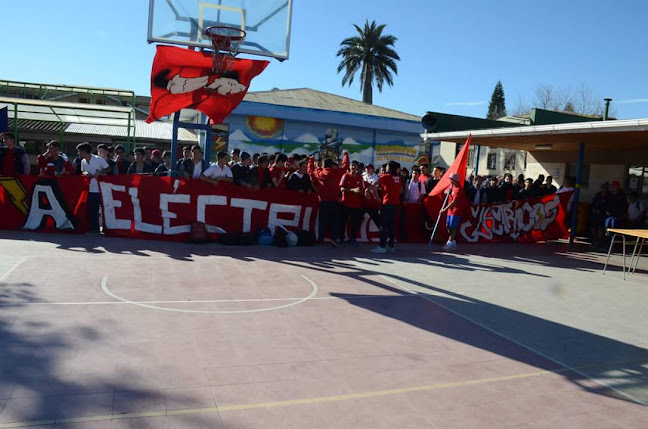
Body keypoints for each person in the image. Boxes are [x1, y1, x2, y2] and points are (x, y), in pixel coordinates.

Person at [308, 152, 350, 247]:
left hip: (323, 201)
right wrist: (345, 155)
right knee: (335, 221)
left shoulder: (319, 173)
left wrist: (311, 159)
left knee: (322, 221)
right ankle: (334, 238)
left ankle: (321, 238)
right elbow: (345, 166)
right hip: (335, 201)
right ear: (332, 165)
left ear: (323, 165)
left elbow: (310, 170)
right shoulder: (337, 172)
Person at [77, 142, 110, 233]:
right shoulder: (83, 161)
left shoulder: (98, 159)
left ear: (84, 151)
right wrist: (86, 173)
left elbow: (108, 168)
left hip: (101, 189)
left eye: (79, 151)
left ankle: (105, 229)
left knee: (104, 210)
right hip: (90, 189)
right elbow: (83, 171)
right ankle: (94, 228)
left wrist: (99, 173)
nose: (78, 153)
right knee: (92, 210)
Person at [371, 161, 403, 253]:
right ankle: (391, 245)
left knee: (383, 225)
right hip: (395, 204)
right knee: (391, 225)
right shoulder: (399, 178)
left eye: (387, 166)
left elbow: (374, 186)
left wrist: (377, 197)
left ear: (390, 168)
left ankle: (382, 246)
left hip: (387, 203)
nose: (386, 168)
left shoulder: (385, 177)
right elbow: (401, 191)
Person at [339, 161, 366, 246]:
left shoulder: (360, 178)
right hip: (345, 203)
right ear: (350, 167)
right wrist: (352, 190)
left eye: (355, 166)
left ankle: (353, 239)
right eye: (352, 166)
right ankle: (341, 238)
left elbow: (363, 189)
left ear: (358, 167)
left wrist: (361, 192)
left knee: (355, 222)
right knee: (343, 222)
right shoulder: (345, 176)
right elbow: (342, 188)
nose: (353, 167)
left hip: (356, 204)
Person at [440, 172, 469, 251]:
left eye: (451, 179)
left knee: (453, 227)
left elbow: (454, 202)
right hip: (450, 211)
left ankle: (449, 243)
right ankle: (453, 241)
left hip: (456, 211)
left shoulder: (459, 190)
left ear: (455, 180)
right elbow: (445, 191)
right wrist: (447, 192)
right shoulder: (451, 187)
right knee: (448, 226)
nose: (450, 181)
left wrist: (444, 209)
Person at [590, 184, 609, 250]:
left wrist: (601, 211)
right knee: (592, 226)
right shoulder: (598, 195)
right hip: (595, 214)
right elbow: (593, 203)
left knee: (600, 228)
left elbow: (608, 207)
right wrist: (593, 209)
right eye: (602, 188)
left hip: (602, 215)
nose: (603, 190)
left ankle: (599, 242)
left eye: (604, 188)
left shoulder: (608, 197)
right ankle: (595, 240)